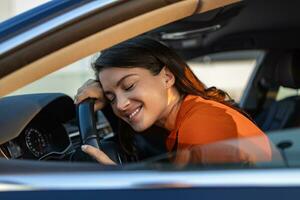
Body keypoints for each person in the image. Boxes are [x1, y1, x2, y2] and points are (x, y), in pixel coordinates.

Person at [74, 36, 272, 165]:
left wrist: (117, 180)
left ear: (167, 77)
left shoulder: (201, 129)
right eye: (111, 97)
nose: (120, 104)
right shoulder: (188, 117)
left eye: (129, 86)